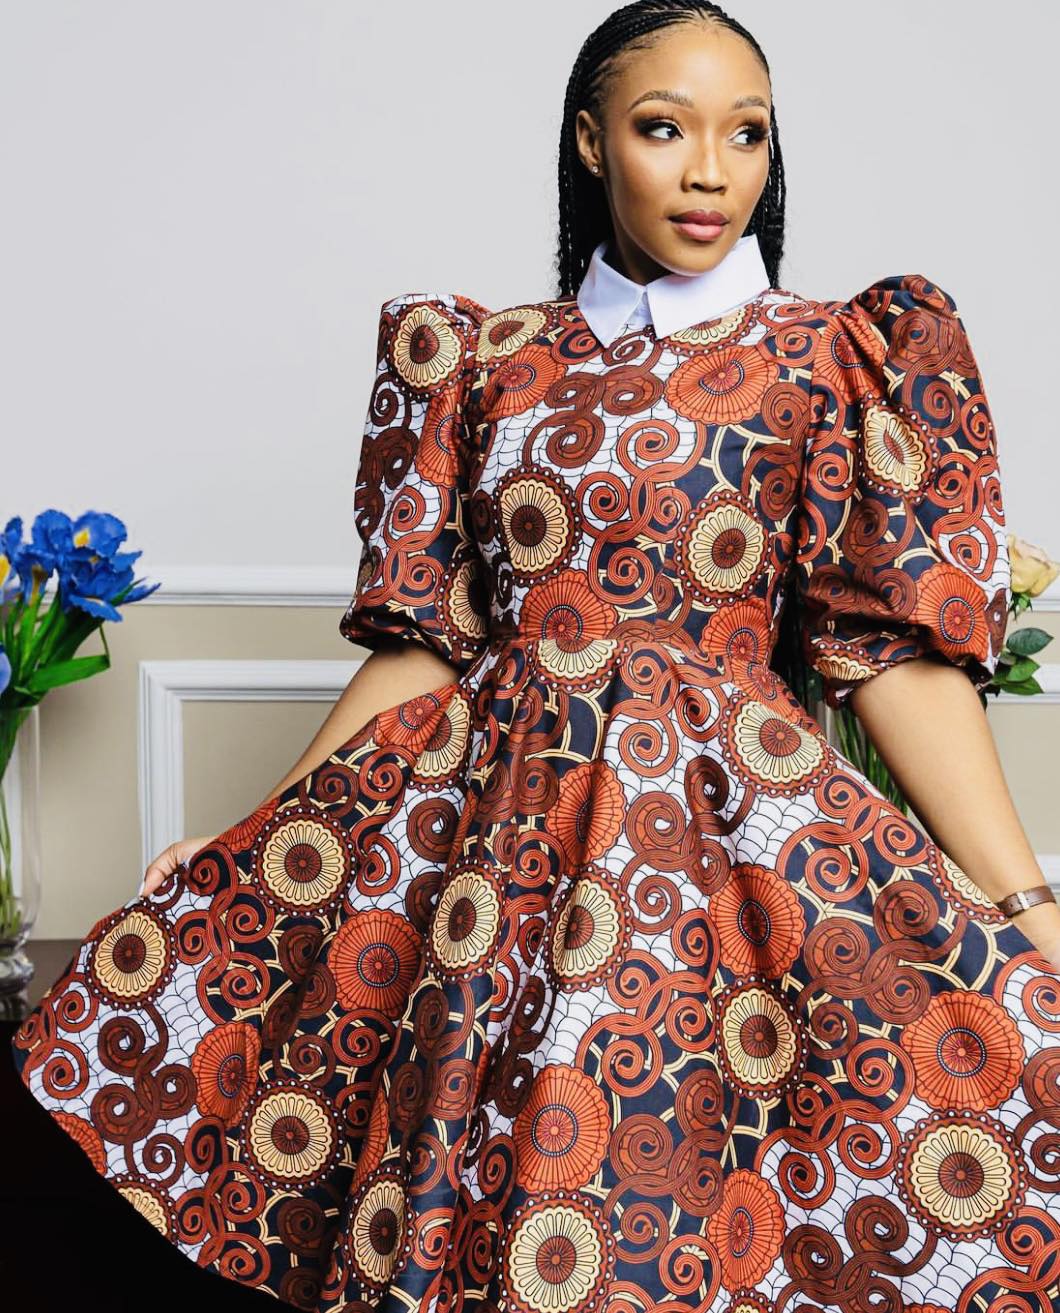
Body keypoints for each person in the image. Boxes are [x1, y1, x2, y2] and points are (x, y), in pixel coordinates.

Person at [12, 2, 1060, 1309]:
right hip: (491, 859)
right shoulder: (483, 361)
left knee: (683, 1204)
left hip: (725, 853)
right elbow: (423, 647)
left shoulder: (834, 357)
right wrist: (259, 830)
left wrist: (1025, 900)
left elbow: (890, 658)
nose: (711, 171)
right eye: (665, 128)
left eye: (747, 134)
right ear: (589, 141)